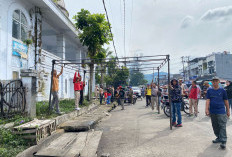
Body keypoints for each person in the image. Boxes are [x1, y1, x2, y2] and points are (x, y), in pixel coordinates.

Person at [205, 77, 230, 149]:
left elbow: (226, 101)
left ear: (219, 82)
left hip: (221, 111)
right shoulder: (209, 90)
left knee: (222, 125)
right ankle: (219, 137)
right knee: (215, 126)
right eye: (213, 81)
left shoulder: (223, 90)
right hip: (212, 111)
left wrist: (228, 111)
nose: (215, 82)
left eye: (216, 81)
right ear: (212, 82)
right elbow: (208, 100)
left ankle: (223, 141)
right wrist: (206, 109)